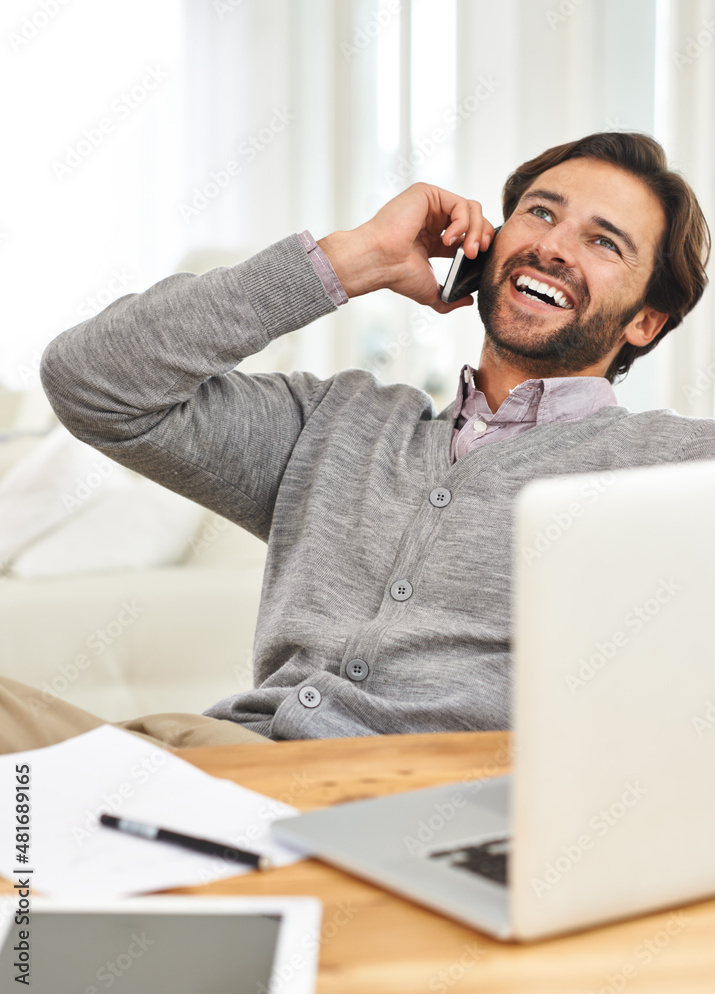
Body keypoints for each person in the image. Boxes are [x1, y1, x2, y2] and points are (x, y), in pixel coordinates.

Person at [1, 130, 712, 753]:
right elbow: (91, 380)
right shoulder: (334, 423)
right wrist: (349, 262)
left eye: (602, 242)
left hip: (417, 805)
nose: (552, 246)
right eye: (539, 212)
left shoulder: (674, 469)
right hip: (217, 758)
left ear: (645, 322)